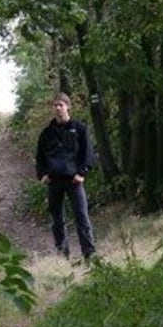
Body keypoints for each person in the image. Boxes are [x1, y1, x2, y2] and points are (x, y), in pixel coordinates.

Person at [35, 92, 97, 260]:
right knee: (57, 220)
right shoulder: (46, 133)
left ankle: (89, 255)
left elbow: (88, 153)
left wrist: (82, 172)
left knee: (82, 217)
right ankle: (62, 256)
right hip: (54, 181)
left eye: (61, 105)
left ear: (68, 107)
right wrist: (42, 175)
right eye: (55, 105)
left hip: (74, 180)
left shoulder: (80, 129)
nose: (57, 108)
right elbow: (40, 157)